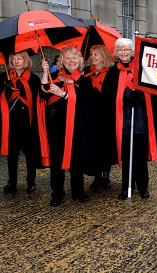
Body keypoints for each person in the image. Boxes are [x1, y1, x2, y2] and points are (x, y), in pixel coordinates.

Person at [101, 38, 157, 200]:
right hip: (122, 123)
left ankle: (143, 187)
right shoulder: (112, 73)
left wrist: (139, 96)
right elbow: (107, 98)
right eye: (120, 50)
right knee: (126, 158)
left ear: (133, 51)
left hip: (140, 121)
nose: (123, 53)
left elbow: (153, 93)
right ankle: (126, 187)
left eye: (126, 50)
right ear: (116, 53)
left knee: (139, 158)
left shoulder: (143, 69)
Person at [39, 46, 98, 206]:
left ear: (80, 61)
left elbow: (86, 104)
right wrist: (45, 73)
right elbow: (43, 93)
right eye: (68, 58)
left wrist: (62, 94)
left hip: (77, 126)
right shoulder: (54, 77)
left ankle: (78, 191)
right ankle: (57, 193)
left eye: (75, 58)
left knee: (76, 159)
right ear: (62, 61)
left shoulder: (84, 81)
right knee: (57, 161)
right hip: (57, 126)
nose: (71, 61)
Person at [0, 51, 41, 193]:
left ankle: (31, 181)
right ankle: (12, 182)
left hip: (28, 123)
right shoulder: (4, 77)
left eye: (20, 59)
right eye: (13, 59)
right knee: (12, 155)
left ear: (26, 61)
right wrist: (5, 89)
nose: (16, 61)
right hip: (10, 123)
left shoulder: (34, 78)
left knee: (30, 154)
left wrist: (24, 90)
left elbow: (38, 98)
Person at [83, 45, 115, 191]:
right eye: (91, 54)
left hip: (107, 116)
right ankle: (97, 176)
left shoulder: (111, 73)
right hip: (90, 116)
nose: (93, 57)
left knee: (106, 146)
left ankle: (105, 175)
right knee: (93, 146)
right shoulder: (86, 73)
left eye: (96, 54)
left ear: (104, 56)